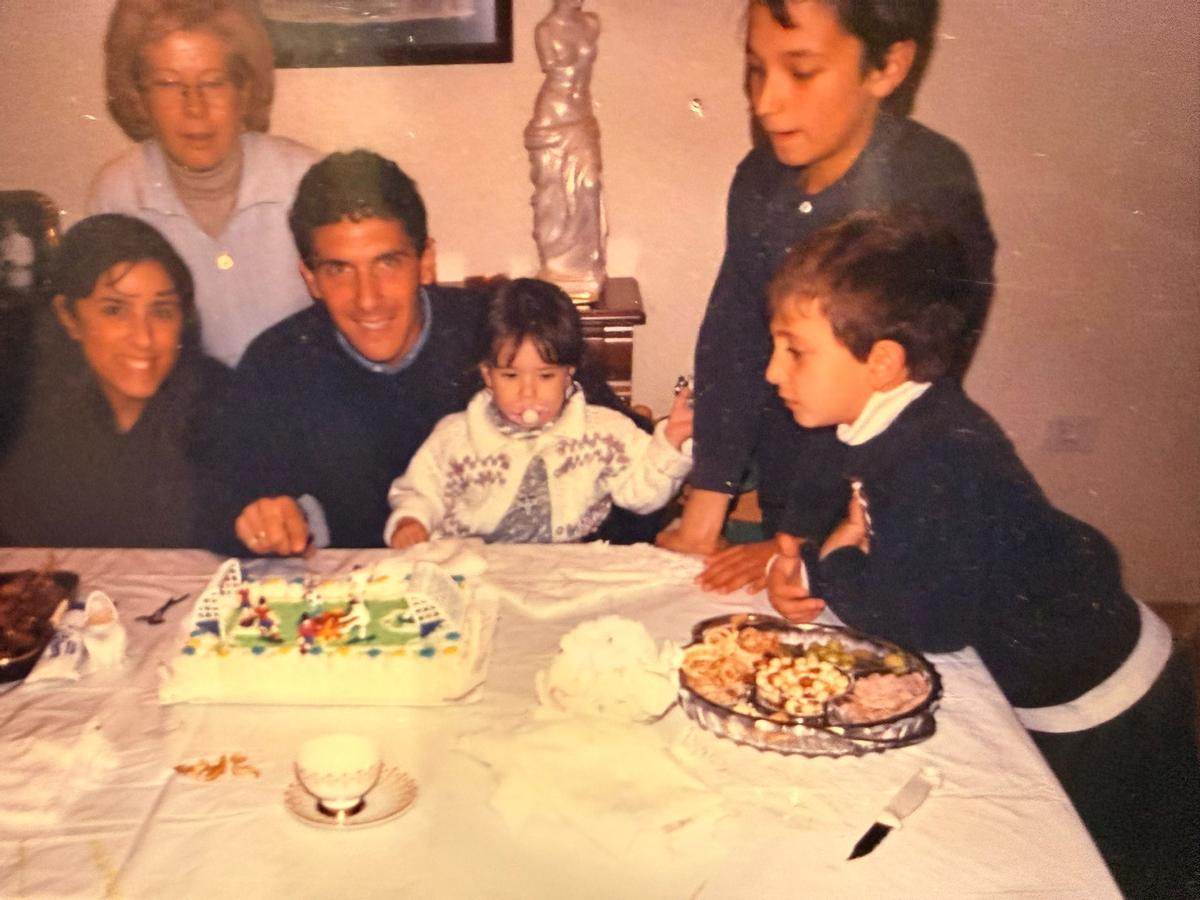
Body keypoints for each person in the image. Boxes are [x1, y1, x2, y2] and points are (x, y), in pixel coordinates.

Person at [762, 212, 1199, 899]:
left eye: (794, 352)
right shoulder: (881, 407)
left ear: (881, 362)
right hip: (1060, 664)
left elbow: (922, 620)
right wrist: (794, 537)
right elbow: (828, 454)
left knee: (1125, 870)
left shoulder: (940, 456)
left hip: (1104, 701)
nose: (773, 371)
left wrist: (832, 565)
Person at [659, 0, 995, 596]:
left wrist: (799, 539)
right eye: (756, 70)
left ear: (887, 66)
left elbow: (896, 401)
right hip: (783, 475)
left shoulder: (931, 194)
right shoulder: (760, 178)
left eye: (803, 71)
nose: (766, 103)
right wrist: (705, 511)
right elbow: (734, 335)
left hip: (870, 494)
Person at [220, 150, 652, 556]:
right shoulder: (279, 363)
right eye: (338, 270)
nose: (367, 299)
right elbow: (237, 496)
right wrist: (259, 519)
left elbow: (633, 468)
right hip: (377, 599)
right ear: (310, 279)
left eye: (387, 263)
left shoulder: (501, 332)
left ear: (426, 260)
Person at [88, 0, 320, 367]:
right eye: (168, 84)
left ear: (244, 91)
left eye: (213, 83)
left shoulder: (307, 180)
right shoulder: (118, 195)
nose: (194, 107)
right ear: (138, 97)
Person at [385, 278, 691, 547]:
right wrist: (412, 521)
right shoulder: (454, 437)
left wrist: (670, 443)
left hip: (564, 574)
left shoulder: (605, 432)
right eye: (510, 376)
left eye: (546, 376)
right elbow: (420, 491)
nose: (528, 393)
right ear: (488, 375)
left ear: (569, 373)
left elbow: (644, 495)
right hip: (475, 569)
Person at [0, 214, 230, 547]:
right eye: (114, 310)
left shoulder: (220, 401)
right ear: (68, 316)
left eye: (162, 311)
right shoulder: (20, 410)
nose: (143, 338)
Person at [524, 0, 606, 299]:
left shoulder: (591, 23)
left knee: (589, 184)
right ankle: (558, 264)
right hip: (553, 118)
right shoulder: (545, 31)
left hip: (581, 117)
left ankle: (585, 265)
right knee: (554, 197)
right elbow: (555, 73)